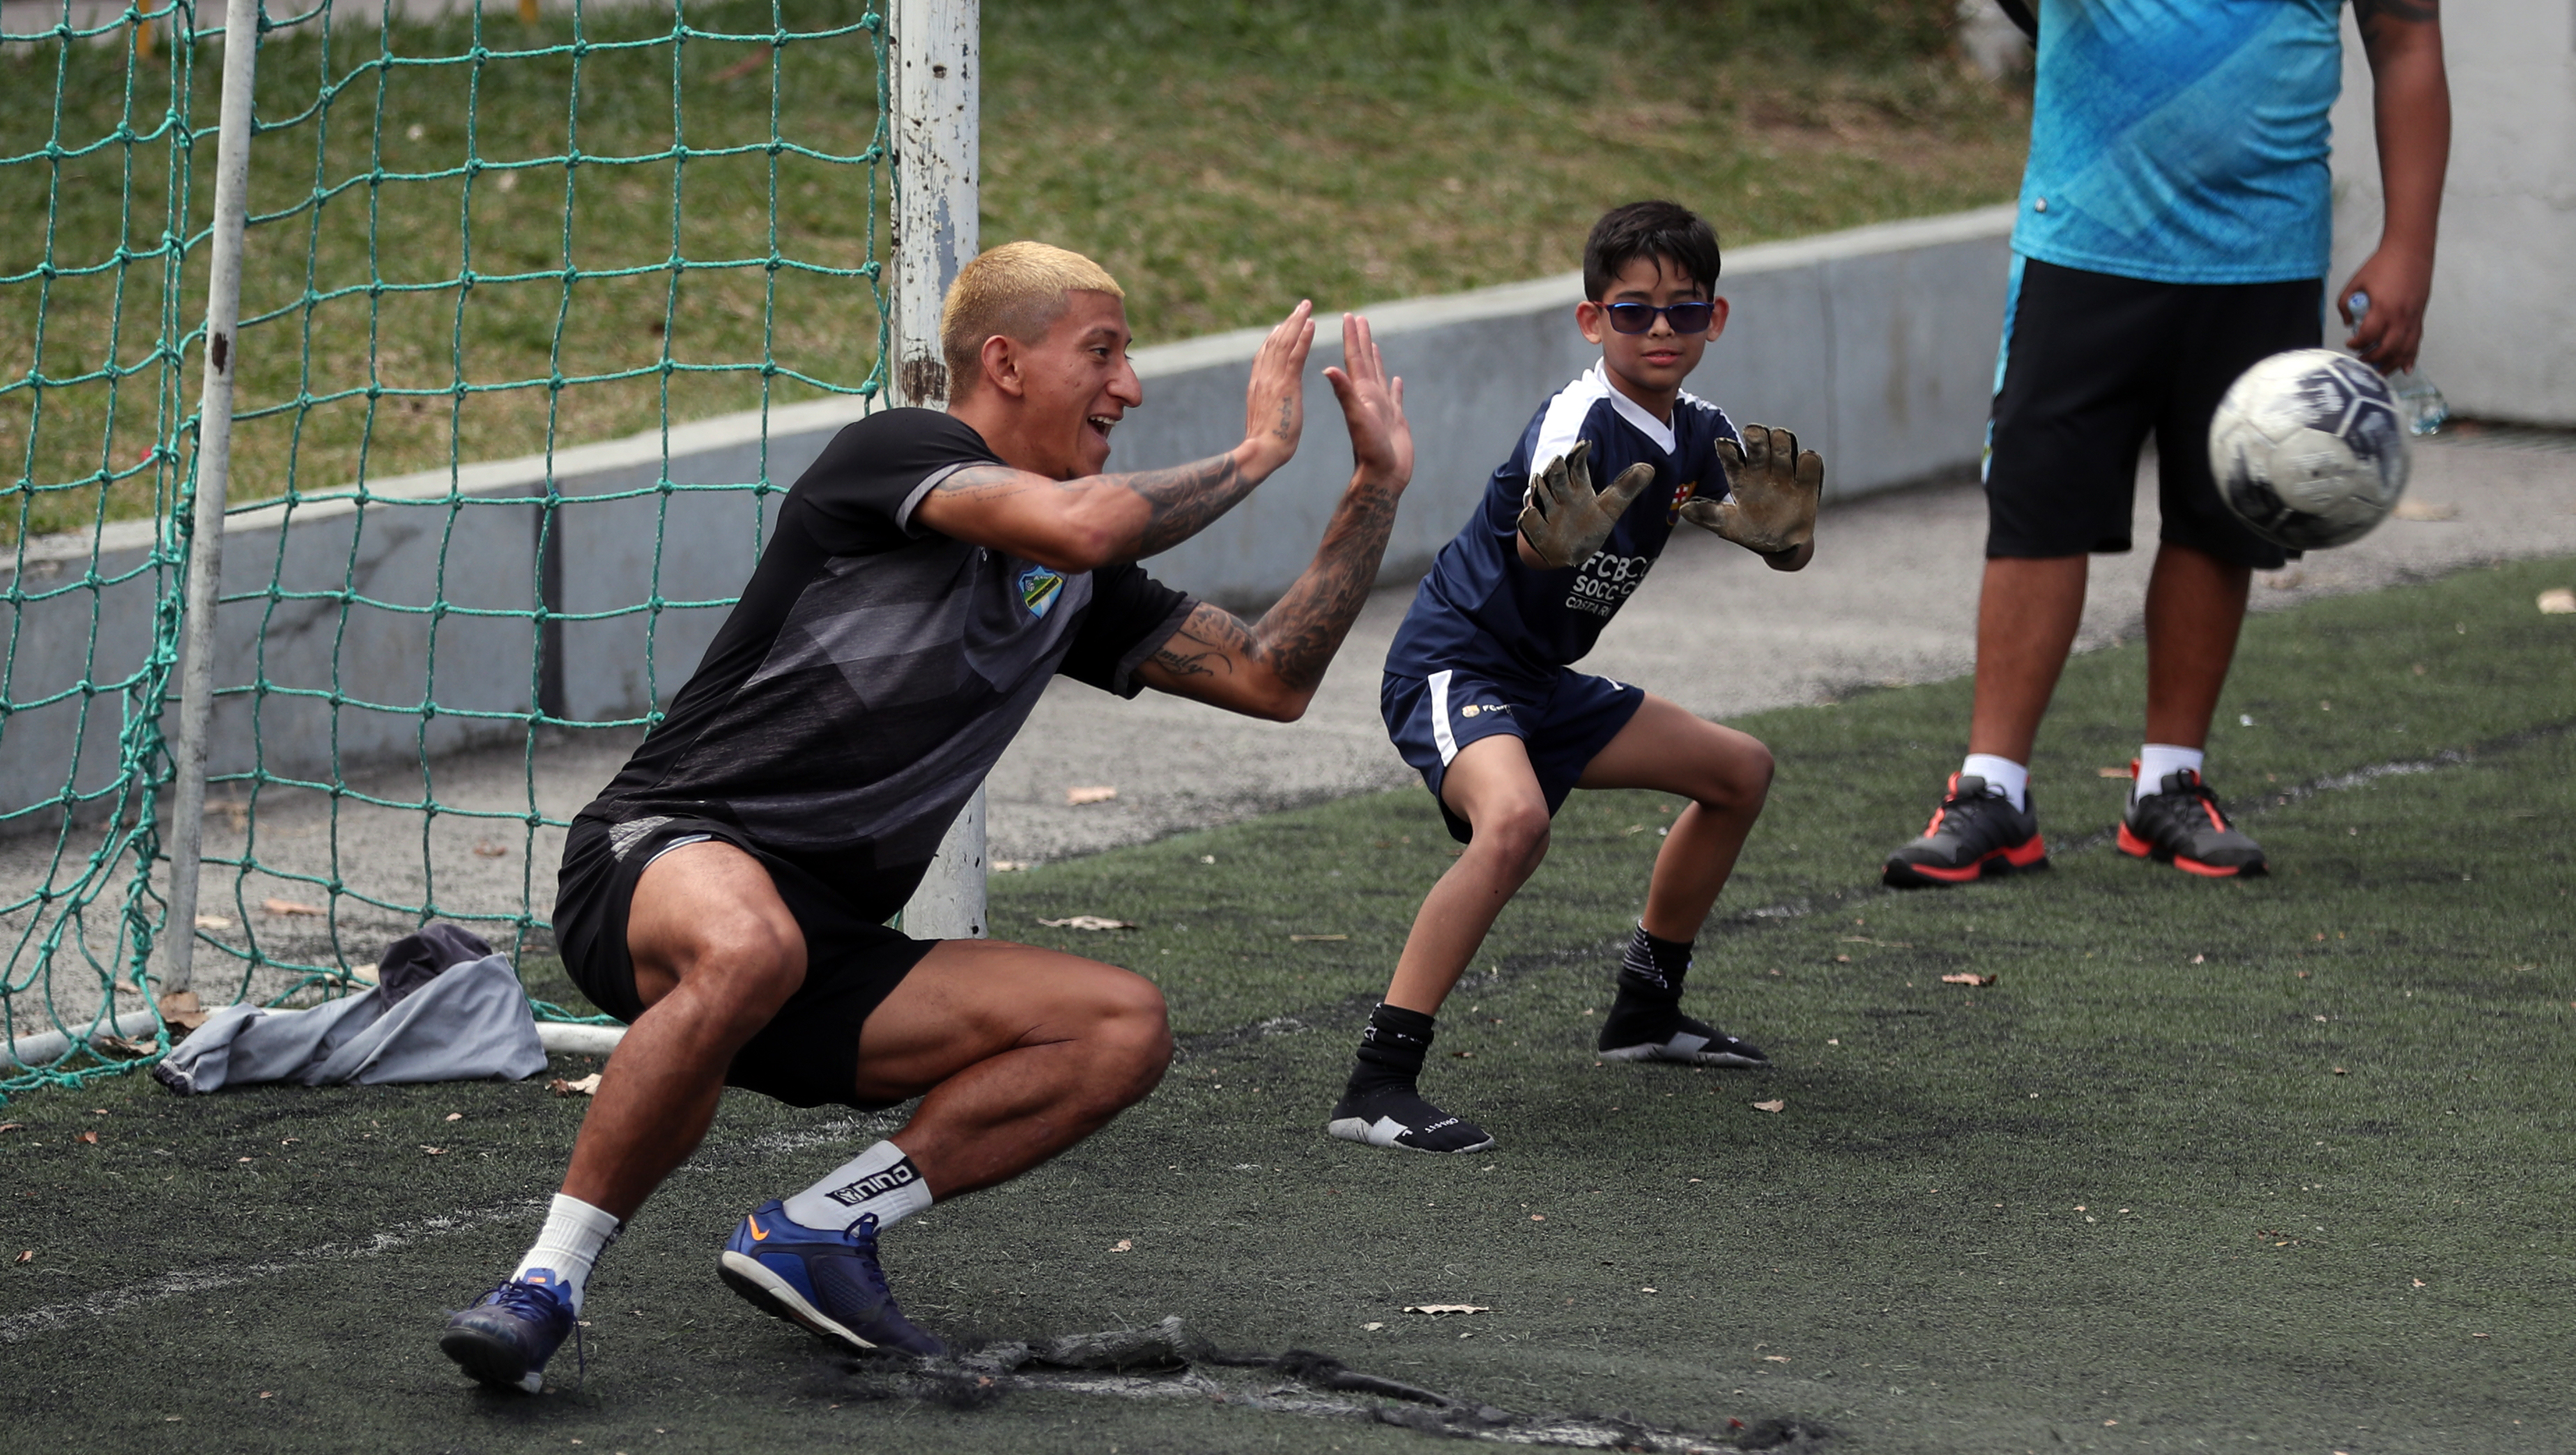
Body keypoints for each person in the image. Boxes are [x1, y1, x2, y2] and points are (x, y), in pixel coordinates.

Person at [439, 241, 1415, 1389]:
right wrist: (1259, 452)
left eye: (1129, 357)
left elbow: (1268, 679)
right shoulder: (898, 455)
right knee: (750, 940)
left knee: (1117, 1025)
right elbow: (1085, 527)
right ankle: (544, 1281)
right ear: (1002, 360)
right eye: (1101, 352)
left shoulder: (1075, 582)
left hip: (828, 949)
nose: (1130, 387)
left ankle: (818, 1226)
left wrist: (1374, 489)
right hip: (660, 856)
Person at [1881, 0, 2449, 888]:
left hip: (2265, 250)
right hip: (2082, 234)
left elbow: (2408, 35)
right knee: (2039, 509)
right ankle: (1992, 792)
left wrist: (2409, 248)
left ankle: (2169, 785)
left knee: (2223, 509)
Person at [1328, 201, 1821, 1155]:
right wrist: (1545, 547)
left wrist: (1788, 543)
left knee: (1739, 771)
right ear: (1593, 320)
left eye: (1686, 309)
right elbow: (1535, 534)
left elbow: (1773, 539)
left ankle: (1645, 1011)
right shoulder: (1580, 416)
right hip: (1455, 662)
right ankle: (1376, 1084)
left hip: (1540, 682)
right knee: (1515, 825)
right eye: (1634, 311)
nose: (1662, 329)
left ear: (1716, 320)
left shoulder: (1698, 429)